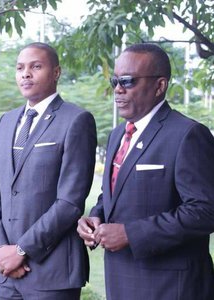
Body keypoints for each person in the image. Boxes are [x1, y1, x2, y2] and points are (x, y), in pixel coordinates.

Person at [77, 43, 214, 300]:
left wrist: (131, 233)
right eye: (115, 80)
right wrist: (96, 217)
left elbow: (205, 211)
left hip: (171, 286)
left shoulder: (188, 135)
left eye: (128, 81)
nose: (118, 89)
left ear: (160, 86)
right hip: (121, 281)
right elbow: (115, 192)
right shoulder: (118, 134)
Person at [0, 42, 97, 300]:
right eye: (20, 68)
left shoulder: (76, 120)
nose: (26, 74)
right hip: (7, 274)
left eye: (36, 66)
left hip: (52, 273)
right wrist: (2, 250)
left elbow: (69, 203)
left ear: (56, 72)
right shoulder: (6, 121)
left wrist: (21, 251)